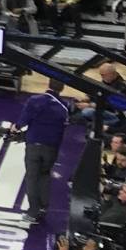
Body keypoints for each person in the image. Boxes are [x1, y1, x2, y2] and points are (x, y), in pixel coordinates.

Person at [17, 82, 74, 228]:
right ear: (62, 88)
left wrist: (16, 128)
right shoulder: (64, 106)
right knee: (44, 175)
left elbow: (23, 121)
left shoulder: (35, 100)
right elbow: (65, 124)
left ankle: (33, 212)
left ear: (48, 85)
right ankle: (43, 207)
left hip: (34, 145)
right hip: (52, 147)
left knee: (32, 177)